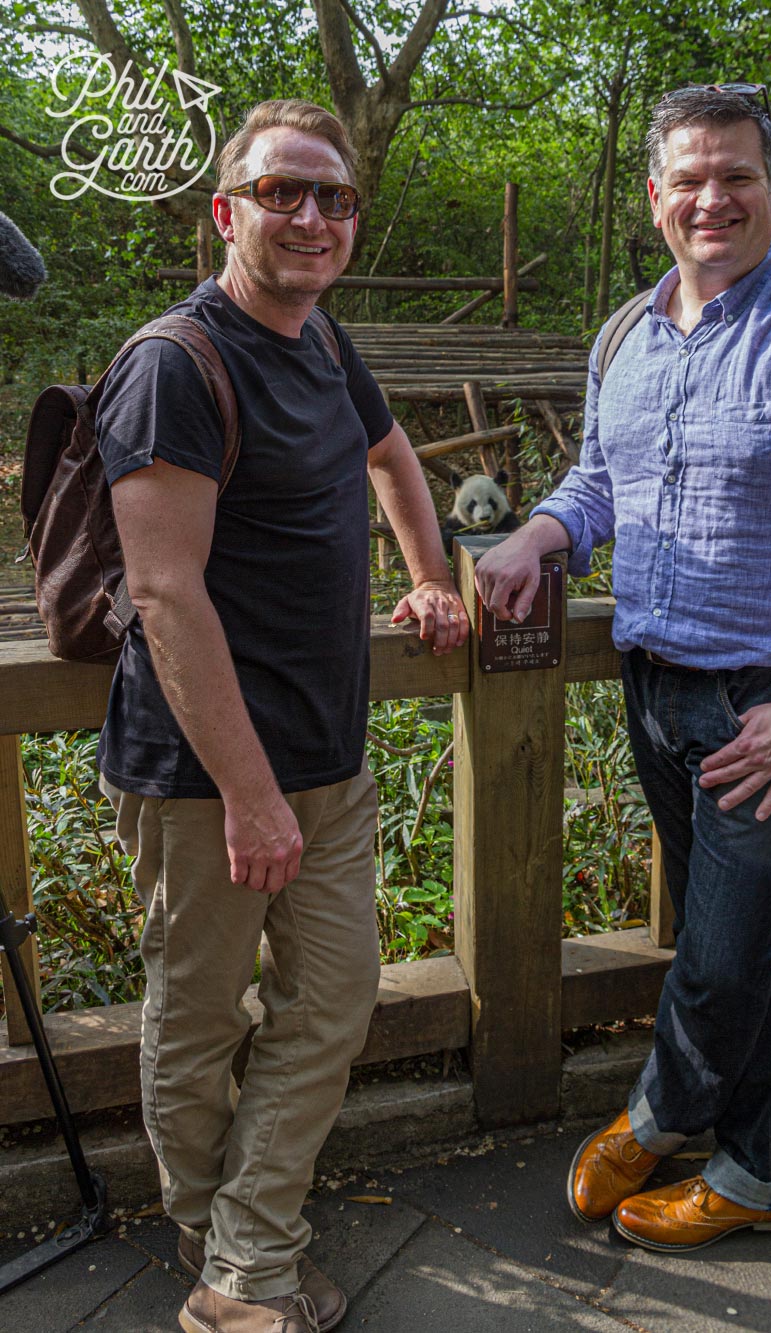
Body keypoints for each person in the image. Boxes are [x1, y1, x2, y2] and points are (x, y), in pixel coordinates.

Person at [474, 83, 771, 1252]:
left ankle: (661, 1115)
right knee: (744, 942)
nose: (710, 197)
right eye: (688, 178)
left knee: (719, 963)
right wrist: (537, 531)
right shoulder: (623, 335)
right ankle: (761, 1173)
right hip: (654, 689)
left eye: (735, 175)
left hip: (767, 702)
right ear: (655, 196)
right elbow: (603, 483)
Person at [94, 99, 467, 1333]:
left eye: (334, 197)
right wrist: (249, 794)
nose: (310, 215)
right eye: (281, 192)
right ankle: (234, 1261)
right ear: (227, 211)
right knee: (198, 1020)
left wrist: (427, 573)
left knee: (333, 999)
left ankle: (243, 1252)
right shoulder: (173, 361)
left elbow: (396, 456)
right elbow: (163, 589)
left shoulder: (319, 338)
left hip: (328, 755)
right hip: (206, 775)